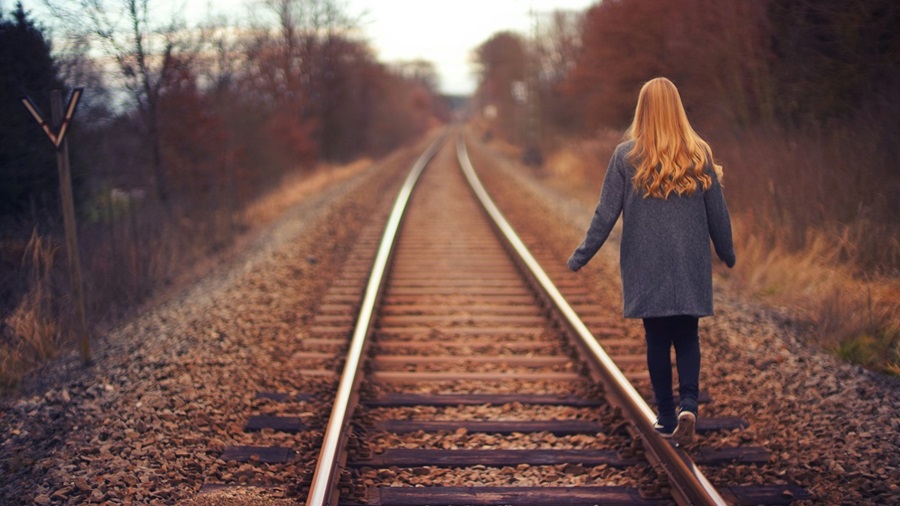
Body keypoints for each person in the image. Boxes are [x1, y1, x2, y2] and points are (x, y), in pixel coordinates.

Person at [567, 77, 735, 445]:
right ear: (678, 109)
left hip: (647, 265)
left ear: (642, 110)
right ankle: (689, 403)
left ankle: (665, 413)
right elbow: (717, 214)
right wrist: (727, 253)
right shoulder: (699, 153)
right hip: (689, 262)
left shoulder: (625, 156)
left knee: (657, 338)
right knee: (688, 335)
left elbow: (605, 214)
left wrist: (581, 256)